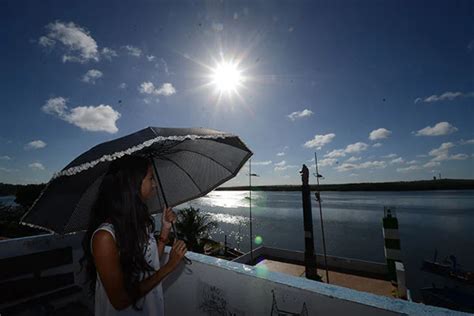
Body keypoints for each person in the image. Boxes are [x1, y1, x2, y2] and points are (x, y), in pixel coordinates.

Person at [79, 155, 187, 315]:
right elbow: (120, 300)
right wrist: (169, 267)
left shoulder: (138, 224)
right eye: (151, 178)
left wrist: (165, 229)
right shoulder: (104, 237)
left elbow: (147, 265)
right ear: (133, 184)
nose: (155, 184)